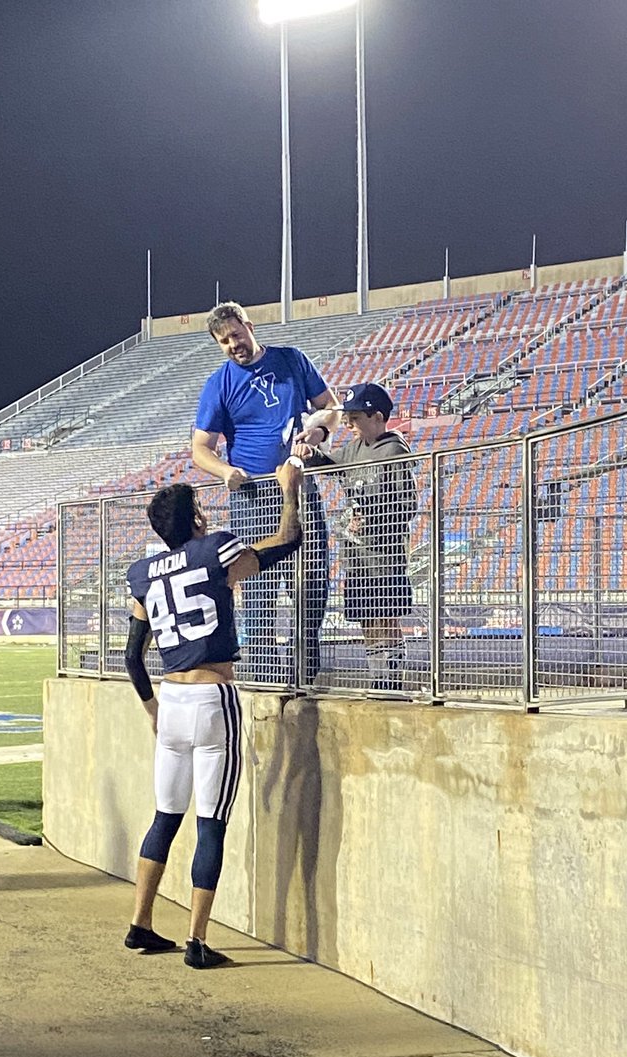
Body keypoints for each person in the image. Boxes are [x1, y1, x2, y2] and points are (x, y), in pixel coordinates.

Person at [123, 461, 304, 968]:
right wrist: (290, 493)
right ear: (197, 519)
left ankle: (140, 924)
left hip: (172, 702)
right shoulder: (213, 549)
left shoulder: (143, 574)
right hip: (211, 698)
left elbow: (132, 656)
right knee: (211, 824)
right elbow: (284, 542)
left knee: (164, 817)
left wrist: (153, 709)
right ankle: (198, 941)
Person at [191, 301, 338, 683]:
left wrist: (319, 432)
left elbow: (331, 407)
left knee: (312, 581)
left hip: (297, 486)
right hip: (252, 496)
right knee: (257, 588)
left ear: (250, 327)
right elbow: (199, 449)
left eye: (236, 335)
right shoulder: (218, 385)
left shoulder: (292, 360)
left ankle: (306, 666)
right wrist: (225, 471)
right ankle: (264, 675)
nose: (232, 345)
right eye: (223, 341)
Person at [294, 382, 416, 691]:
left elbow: (408, 505)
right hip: (357, 557)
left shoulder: (393, 450)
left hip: (384, 557)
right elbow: (330, 465)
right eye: (346, 418)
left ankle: (392, 679)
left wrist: (372, 518)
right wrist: (311, 452)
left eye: (355, 418)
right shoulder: (354, 449)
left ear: (376, 417)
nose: (348, 425)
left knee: (385, 617)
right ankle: (378, 675)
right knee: (367, 618)